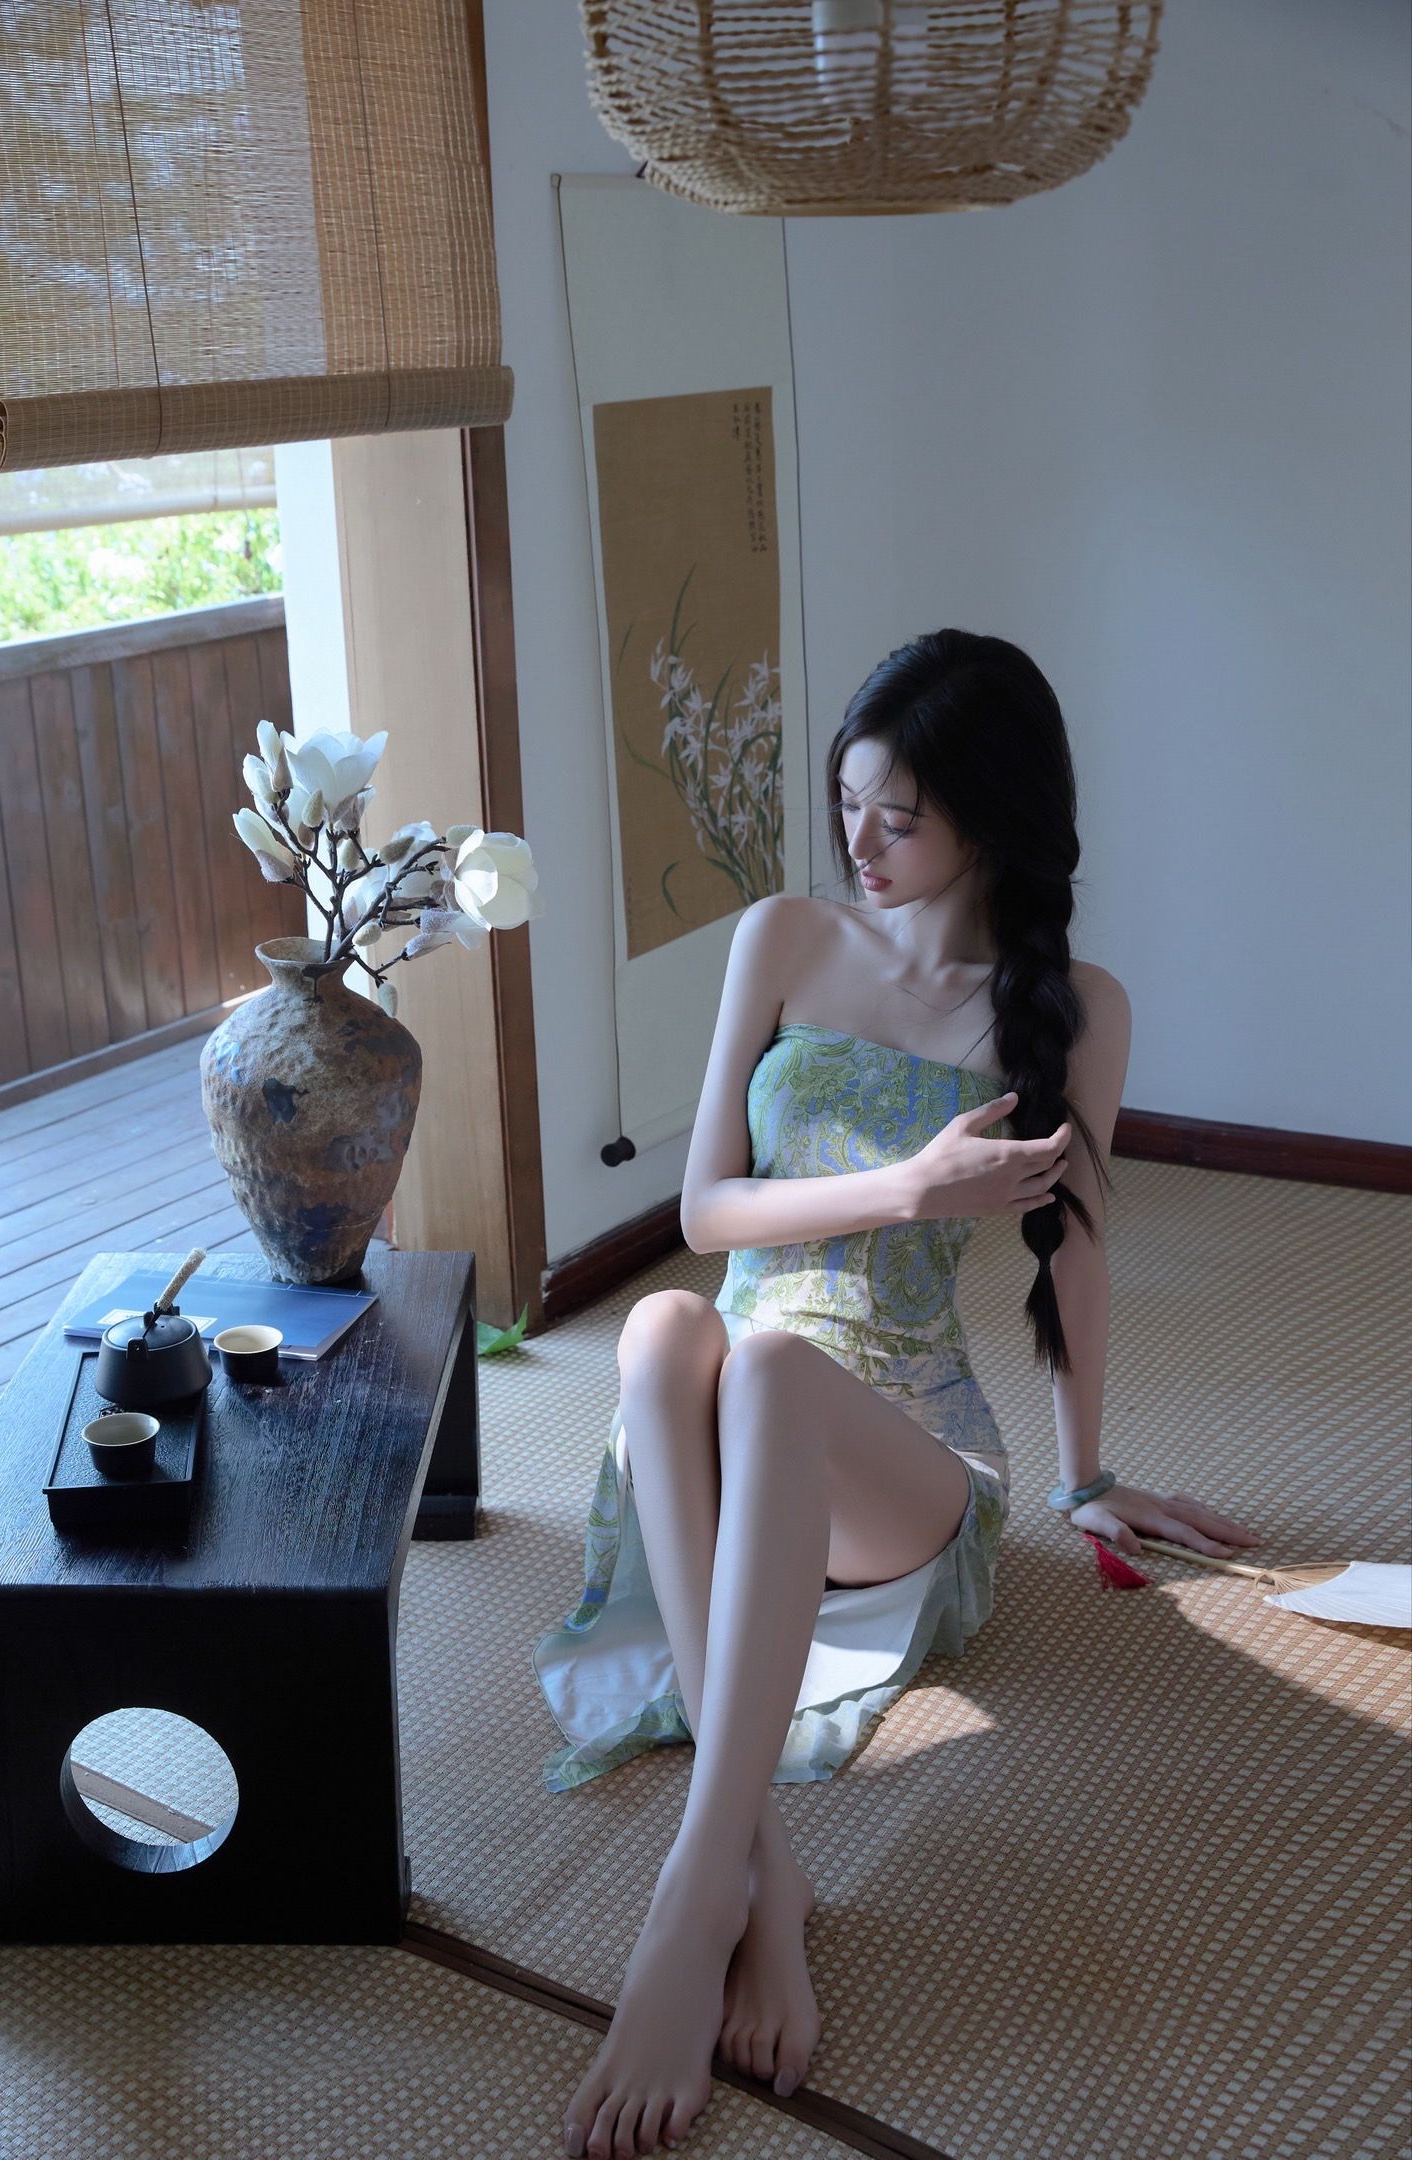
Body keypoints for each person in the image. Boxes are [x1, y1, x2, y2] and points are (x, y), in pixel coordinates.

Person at [537, 629, 1262, 2159]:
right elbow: (705, 1214)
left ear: (987, 821)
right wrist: (909, 1185)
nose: (858, 842)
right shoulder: (784, 937)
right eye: (849, 802)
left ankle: (692, 1898)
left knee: (771, 1368)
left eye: (900, 817)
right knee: (663, 1333)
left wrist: (1085, 1476)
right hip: (737, 1398)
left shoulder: (1074, 1008)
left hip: (904, 1460)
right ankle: (763, 1878)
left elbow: (1075, 1253)